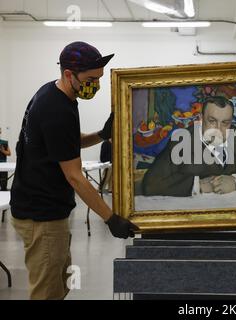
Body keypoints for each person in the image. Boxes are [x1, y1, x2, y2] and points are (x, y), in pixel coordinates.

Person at [10, 42, 139, 300]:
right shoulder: (56, 109)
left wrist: (101, 135)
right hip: (42, 216)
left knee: (60, 285)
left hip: (44, 211)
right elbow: (75, 176)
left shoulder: (55, 95)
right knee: (47, 293)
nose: (96, 85)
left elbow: (67, 141)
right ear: (69, 74)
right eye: (91, 79)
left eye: (99, 79)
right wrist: (110, 218)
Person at [140, 96, 236, 197]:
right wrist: (197, 185)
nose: (218, 129)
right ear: (201, 119)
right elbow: (150, 184)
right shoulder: (182, 140)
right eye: (212, 121)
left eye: (225, 123)